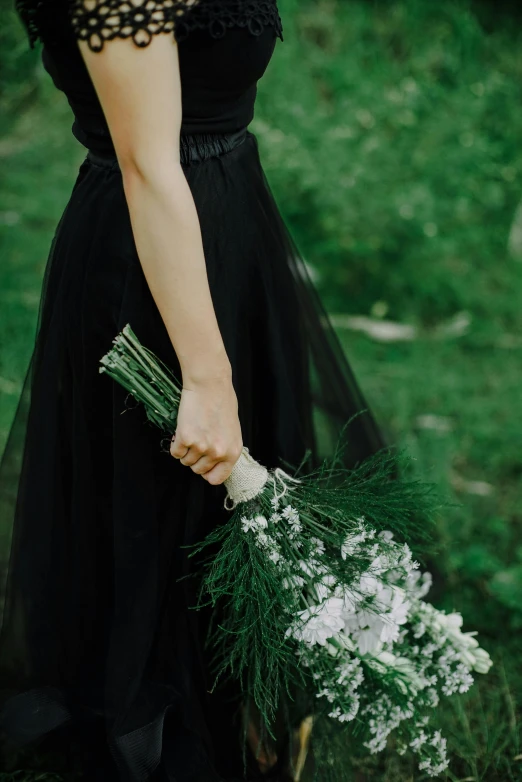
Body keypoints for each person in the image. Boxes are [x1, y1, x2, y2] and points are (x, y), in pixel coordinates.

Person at [0, 1, 387, 780]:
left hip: (230, 221)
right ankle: (161, 735)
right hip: (156, 262)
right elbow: (146, 162)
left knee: (229, 511)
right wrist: (208, 377)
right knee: (160, 514)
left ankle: (235, 704)